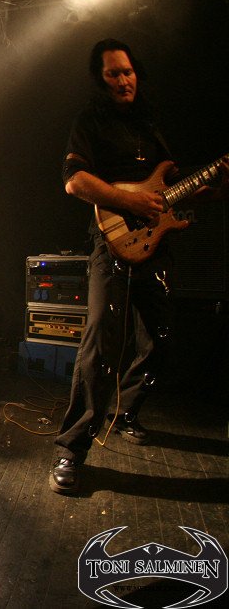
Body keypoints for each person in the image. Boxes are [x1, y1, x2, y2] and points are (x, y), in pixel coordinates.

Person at [50, 39, 229, 495]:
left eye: (127, 71)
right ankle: (71, 449)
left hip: (155, 247)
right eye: (113, 73)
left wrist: (215, 186)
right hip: (111, 241)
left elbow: (173, 191)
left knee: (161, 338)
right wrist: (130, 201)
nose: (123, 79)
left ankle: (126, 409)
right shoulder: (90, 122)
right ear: (100, 79)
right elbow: (75, 181)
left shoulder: (151, 127)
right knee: (99, 341)